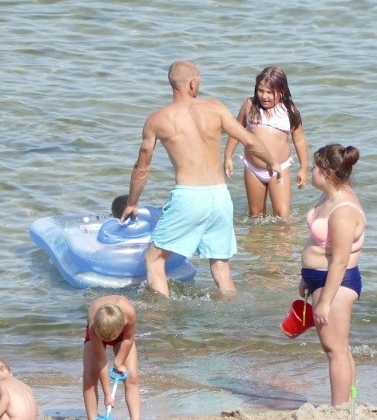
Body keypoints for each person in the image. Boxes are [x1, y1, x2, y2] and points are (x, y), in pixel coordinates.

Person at [121, 60, 282, 296]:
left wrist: (132, 203)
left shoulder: (157, 119)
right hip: (219, 196)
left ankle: (160, 323)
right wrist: (272, 163)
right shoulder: (215, 108)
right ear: (192, 84)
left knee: (154, 259)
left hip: (189, 196)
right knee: (220, 266)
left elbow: (142, 167)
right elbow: (249, 140)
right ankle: (233, 320)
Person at [299, 143, 366, 405]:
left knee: (334, 349)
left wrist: (325, 302)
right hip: (320, 278)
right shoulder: (329, 197)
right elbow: (319, 245)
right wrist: (306, 276)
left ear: (326, 172)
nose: (311, 171)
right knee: (338, 347)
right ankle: (348, 404)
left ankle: (339, 409)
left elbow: (339, 260)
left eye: (315, 166)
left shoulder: (344, 210)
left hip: (336, 282)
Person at [223, 66, 309, 218]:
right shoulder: (250, 105)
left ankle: (282, 242)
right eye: (261, 91)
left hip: (279, 169)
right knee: (256, 214)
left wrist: (303, 168)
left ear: (282, 91)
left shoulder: (289, 111)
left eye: (270, 92)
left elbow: (299, 140)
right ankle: (257, 242)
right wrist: (228, 156)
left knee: (282, 215)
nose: (264, 96)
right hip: (253, 169)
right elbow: (236, 131)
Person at [83, 295, 141, 420]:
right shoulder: (94, 327)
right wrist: (107, 394)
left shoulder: (129, 313)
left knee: (132, 377)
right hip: (97, 332)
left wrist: (118, 362)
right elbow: (101, 361)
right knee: (90, 376)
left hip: (123, 336)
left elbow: (128, 340)